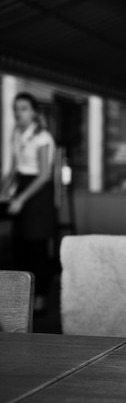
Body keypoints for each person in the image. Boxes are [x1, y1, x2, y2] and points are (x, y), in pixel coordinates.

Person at [0, 92, 57, 311]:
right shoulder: (17, 133)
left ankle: (41, 299)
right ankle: (22, 298)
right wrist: (4, 190)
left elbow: (44, 174)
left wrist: (21, 199)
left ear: (33, 111)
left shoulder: (43, 137)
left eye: (23, 108)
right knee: (19, 246)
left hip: (39, 193)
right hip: (23, 185)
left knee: (37, 248)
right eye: (16, 108)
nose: (18, 113)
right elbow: (14, 168)